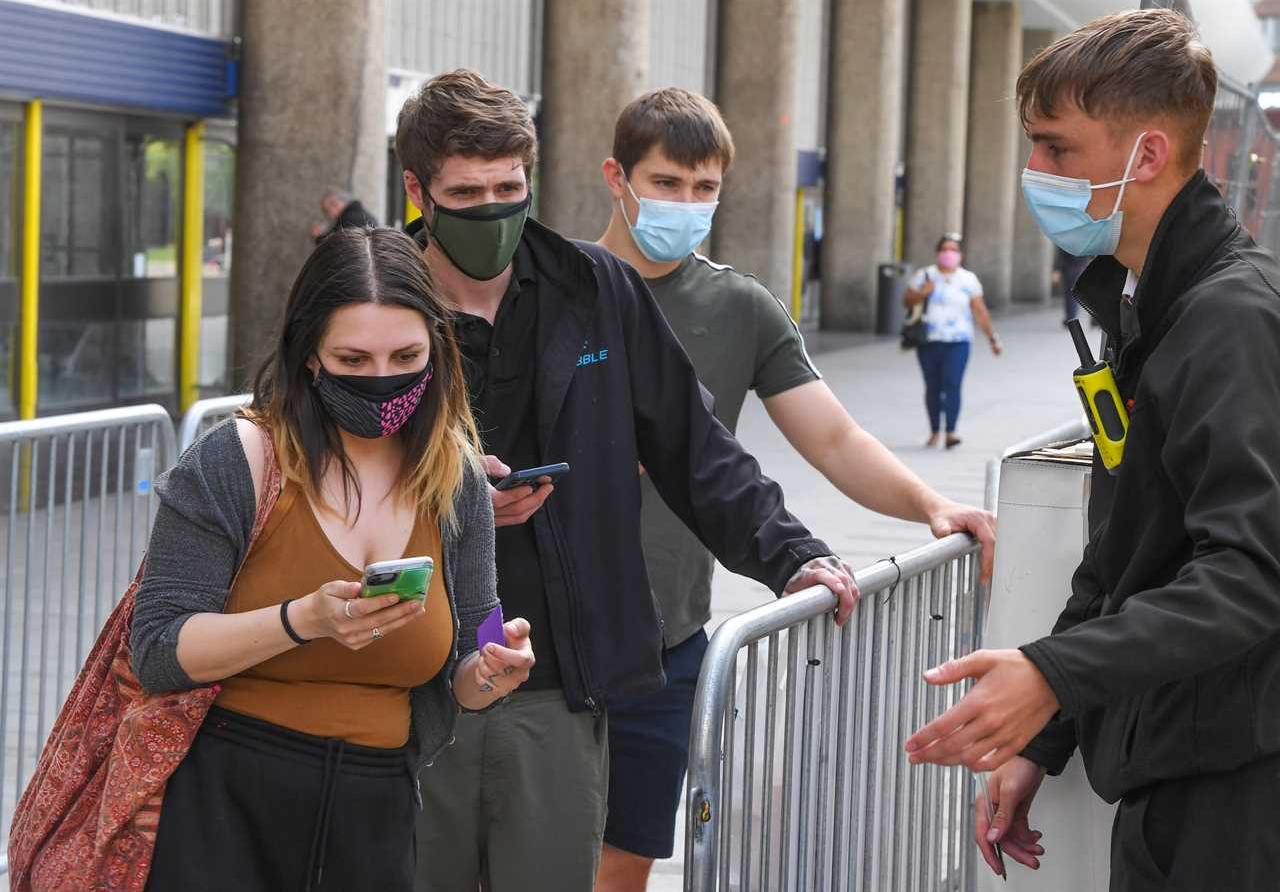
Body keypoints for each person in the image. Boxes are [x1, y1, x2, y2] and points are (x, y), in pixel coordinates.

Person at [395, 70, 859, 892]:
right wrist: (452, 498)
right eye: (468, 192)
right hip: (406, 667)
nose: (495, 210)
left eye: (511, 187)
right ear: (417, 190)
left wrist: (792, 554)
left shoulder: (594, 289)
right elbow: (313, 463)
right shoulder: (370, 295)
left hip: (559, 678)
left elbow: (694, 447)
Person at [904, 10, 1280, 890]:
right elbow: (1125, 557)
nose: (1035, 173)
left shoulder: (1230, 322)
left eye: (1057, 149)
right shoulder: (1149, 307)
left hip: (1237, 791)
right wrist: (1048, 731)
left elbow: (1255, 571)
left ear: (1145, 156)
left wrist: (1051, 673)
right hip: (1176, 773)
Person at [592, 87, 996, 892]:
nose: (686, 203)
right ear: (618, 177)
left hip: (664, 643)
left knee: (622, 868)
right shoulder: (554, 291)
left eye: (704, 188)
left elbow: (835, 437)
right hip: (541, 640)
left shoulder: (738, 307)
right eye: (667, 183)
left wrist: (930, 504)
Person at [130, 227, 534, 890]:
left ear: (437, 348)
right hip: (222, 809)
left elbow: (478, 630)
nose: (382, 380)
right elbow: (158, 645)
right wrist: (302, 620)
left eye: (406, 355)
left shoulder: (455, 479)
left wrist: (498, 657)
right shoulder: (238, 460)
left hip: (375, 817)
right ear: (309, 355)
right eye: (353, 359)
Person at [902, 234, 1002, 449]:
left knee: (953, 384)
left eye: (953, 250)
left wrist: (992, 338)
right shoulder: (925, 275)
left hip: (959, 341)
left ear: (960, 254)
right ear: (938, 253)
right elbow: (907, 301)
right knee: (933, 386)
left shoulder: (968, 279)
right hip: (928, 341)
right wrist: (922, 293)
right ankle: (935, 431)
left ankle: (951, 431)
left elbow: (980, 310)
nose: (949, 254)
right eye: (945, 249)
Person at [310, 187, 379, 241]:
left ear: (335, 204)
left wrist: (318, 237)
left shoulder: (346, 220)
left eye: (327, 211)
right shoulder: (364, 215)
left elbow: (334, 247)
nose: (328, 215)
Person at [1054, 245, 1092, 324]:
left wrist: (1057, 269)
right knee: (1073, 294)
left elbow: (1060, 255)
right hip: (1079, 268)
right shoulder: (1085, 239)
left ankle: (1070, 318)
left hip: (1070, 268)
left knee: (1070, 295)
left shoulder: (1065, 239)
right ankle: (1071, 317)